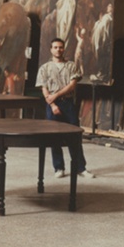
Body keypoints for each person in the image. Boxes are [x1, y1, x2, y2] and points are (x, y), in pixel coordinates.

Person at [35, 38, 95, 179]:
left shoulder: (71, 66)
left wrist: (55, 96)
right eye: (55, 47)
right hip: (52, 106)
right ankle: (59, 167)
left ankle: (80, 168)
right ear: (51, 49)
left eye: (61, 47)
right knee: (53, 137)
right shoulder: (45, 68)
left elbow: (72, 85)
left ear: (64, 49)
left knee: (74, 136)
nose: (58, 50)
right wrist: (53, 104)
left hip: (68, 104)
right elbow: (44, 89)